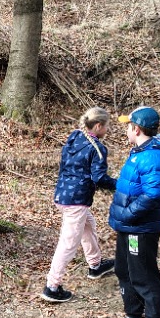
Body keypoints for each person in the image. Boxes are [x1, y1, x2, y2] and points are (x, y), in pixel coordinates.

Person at [105, 106, 160, 318]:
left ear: (136, 129)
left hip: (141, 228)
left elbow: (153, 194)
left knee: (143, 275)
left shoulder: (152, 157)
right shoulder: (139, 152)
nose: (126, 130)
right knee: (124, 270)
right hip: (128, 226)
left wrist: (128, 213)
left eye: (128, 126)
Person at [42, 107, 117, 303]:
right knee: (68, 243)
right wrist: (120, 185)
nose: (108, 129)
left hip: (62, 194)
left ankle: (95, 265)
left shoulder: (75, 137)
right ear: (98, 126)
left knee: (88, 225)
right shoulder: (97, 148)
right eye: (107, 126)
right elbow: (99, 178)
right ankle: (52, 286)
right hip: (76, 201)